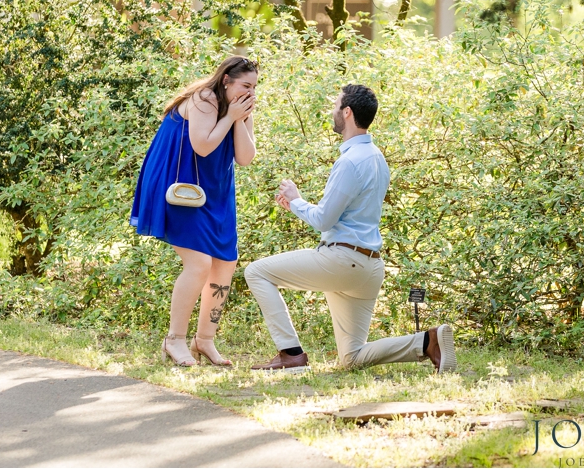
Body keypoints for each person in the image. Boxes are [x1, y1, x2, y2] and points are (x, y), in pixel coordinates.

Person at [244, 83, 457, 374]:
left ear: (347, 112)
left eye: (335, 106)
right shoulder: (377, 158)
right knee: (352, 358)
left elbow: (323, 220)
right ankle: (426, 343)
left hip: (343, 261)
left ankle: (291, 354)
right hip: (369, 267)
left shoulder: (349, 162)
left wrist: (295, 201)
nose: (332, 112)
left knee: (255, 271)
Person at [131, 56, 258, 367]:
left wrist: (240, 118)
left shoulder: (240, 106)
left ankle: (204, 340)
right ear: (227, 79)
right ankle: (174, 340)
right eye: (245, 85)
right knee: (199, 263)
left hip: (215, 189)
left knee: (226, 262)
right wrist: (230, 117)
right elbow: (202, 146)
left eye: (254, 86)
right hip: (181, 186)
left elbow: (245, 157)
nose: (250, 92)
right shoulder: (205, 98)